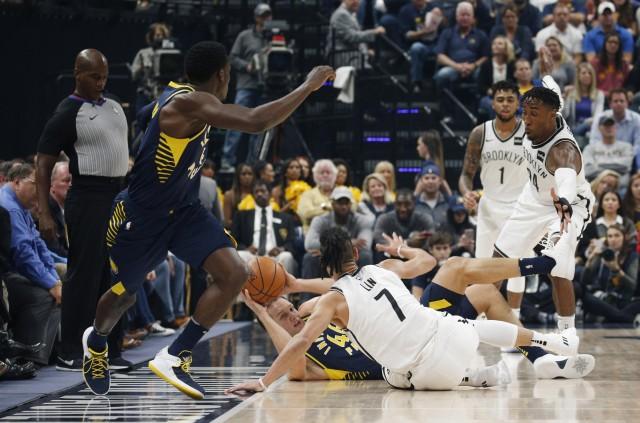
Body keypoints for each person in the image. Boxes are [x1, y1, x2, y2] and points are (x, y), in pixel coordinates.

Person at [80, 41, 335, 399]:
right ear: (223, 75)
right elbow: (256, 121)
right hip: (142, 217)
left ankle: (177, 353)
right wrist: (308, 85)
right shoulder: (190, 102)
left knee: (236, 273)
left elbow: (144, 117)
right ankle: (97, 339)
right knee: (124, 295)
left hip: (184, 212)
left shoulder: (177, 97)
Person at [226, 228, 580, 394]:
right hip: (452, 336)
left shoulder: (330, 302)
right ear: (355, 253)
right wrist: (403, 250)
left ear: (325, 263)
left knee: (395, 374)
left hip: (430, 377)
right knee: (469, 324)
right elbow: (424, 263)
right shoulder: (384, 268)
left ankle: (479, 376)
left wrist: (261, 381)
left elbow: (301, 340)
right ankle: (550, 340)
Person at [36, 49, 130, 371]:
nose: (101, 82)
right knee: (84, 275)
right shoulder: (68, 111)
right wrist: (45, 211)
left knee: (116, 274)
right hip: (88, 197)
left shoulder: (115, 106)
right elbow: (44, 159)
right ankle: (69, 350)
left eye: (104, 76)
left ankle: (109, 349)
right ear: (78, 74)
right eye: (94, 76)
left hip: (119, 197)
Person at [492, 47, 595, 336]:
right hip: (533, 198)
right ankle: (469, 323)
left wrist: (562, 200)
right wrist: (546, 69)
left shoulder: (564, 152)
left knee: (557, 268)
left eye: (533, 114)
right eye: (525, 112)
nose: (526, 119)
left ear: (552, 117)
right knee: (497, 261)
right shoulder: (549, 103)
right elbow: (550, 86)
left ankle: (566, 335)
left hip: (568, 206)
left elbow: (566, 183)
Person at [459, 80, 529, 318]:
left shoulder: (530, 132)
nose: (506, 104)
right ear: (492, 103)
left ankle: (514, 317)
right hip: (488, 207)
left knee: (516, 266)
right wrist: (467, 193)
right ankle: (478, 318)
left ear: (518, 102)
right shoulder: (480, 132)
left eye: (510, 99)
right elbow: (466, 175)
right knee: (484, 268)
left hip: (520, 207)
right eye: (500, 99)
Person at [0, 164, 61, 366]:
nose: (39, 192)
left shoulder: (20, 206)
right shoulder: (9, 207)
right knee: (43, 297)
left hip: (16, 271)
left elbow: (39, 245)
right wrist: (51, 284)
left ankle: (55, 349)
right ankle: (28, 355)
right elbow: (23, 255)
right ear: (17, 182)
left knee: (65, 278)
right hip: (9, 273)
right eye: (35, 185)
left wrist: (53, 279)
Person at [220, 3, 273, 171]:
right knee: (236, 122)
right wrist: (247, 66)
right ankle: (227, 161)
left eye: (268, 16)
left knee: (259, 126)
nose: (266, 19)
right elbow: (232, 58)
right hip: (246, 85)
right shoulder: (244, 36)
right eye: (263, 16)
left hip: (265, 86)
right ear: (256, 18)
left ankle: (252, 164)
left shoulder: (273, 38)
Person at [302, 187, 373, 278]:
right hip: (330, 257)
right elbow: (309, 244)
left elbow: (365, 245)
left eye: (346, 203)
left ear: (350, 204)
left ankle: (366, 290)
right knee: (309, 257)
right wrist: (349, 243)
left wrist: (327, 249)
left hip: (350, 258)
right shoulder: (320, 220)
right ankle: (307, 291)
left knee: (365, 255)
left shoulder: (362, 220)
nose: (344, 206)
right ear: (332, 203)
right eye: (340, 202)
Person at [232, 179, 298, 275]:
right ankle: (242, 290)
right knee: (240, 255)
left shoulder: (285, 218)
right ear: (253, 195)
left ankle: (286, 289)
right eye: (256, 192)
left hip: (276, 255)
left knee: (287, 256)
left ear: (270, 194)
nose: (259, 194)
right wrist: (245, 248)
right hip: (251, 255)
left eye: (262, 191)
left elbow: (292, 241)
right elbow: (233, 240)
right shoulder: (242, 216)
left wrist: (281, 249)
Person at [434, 2, 489, 94]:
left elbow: (486, 56)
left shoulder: (481, 35)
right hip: (452, 67)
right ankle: (444, 104)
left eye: (468, 15)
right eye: (462, 15)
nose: (465, 18)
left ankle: (478, 104)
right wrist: (456, 66)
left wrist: (473, 65)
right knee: (442, 75)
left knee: (483, 74)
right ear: (456, 17)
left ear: (473, 18)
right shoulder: (447, 33)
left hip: (474, 68)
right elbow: (440, 56)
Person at [326, 0, 386, 68]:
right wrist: (374, 32)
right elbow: (352, 37)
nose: (356, 2)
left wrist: (366, 51)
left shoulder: (349, 13)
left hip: (353, 56)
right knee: (374, 74)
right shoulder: (341, 14)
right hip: (345, 58)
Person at [582, 116, 634, 186]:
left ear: (616, 127)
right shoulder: (589, 148)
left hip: (621, 186)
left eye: (611, 125)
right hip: (596, 186)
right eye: (606, 125)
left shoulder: (626, 147)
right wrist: (615, 167)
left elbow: (625, 167)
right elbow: (588, 171)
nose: (609, 128)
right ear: (599, 128)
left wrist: (598, 165)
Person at [562, 62, 605, 141]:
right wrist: (564, 99)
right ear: (578, 76)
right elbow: (564, 115)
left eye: (590, 73)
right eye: (584, 73)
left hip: (591, 129)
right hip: (573, 129)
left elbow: (597, 117)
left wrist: (585, 123)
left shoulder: (599, 94)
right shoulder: (571, 94)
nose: (587, 75)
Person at [297, 159, 338, 232]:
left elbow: (352, 209)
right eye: (321, 173)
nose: (325, 175)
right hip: (314, 234)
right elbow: (307, 214)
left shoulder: (343, 191)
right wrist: (333, 208)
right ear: (315, 176)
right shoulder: (307, 194)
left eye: (328, 172)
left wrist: (322, 208)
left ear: (335, 175)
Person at [44, 161, 71, 258]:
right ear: (51, 185)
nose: (71, 185)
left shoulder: (72, 208)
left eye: (73, 181)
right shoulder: (46, 210)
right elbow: (54, 248)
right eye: (66, 180)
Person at [590, 32, 630, 97]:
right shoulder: (595, 63)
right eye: (610, 42)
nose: (613, 45)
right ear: (605, 44)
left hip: (618, 99)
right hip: (599, 97)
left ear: (619, 46)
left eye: (616, 43)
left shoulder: (624, 65)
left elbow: (627, 85)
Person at [414, 164, 449, 229]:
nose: (430, 181)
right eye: (426, 178)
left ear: (440, 181)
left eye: (433, 178)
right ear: (421, 181)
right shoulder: (415, 204)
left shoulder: (447, 202)